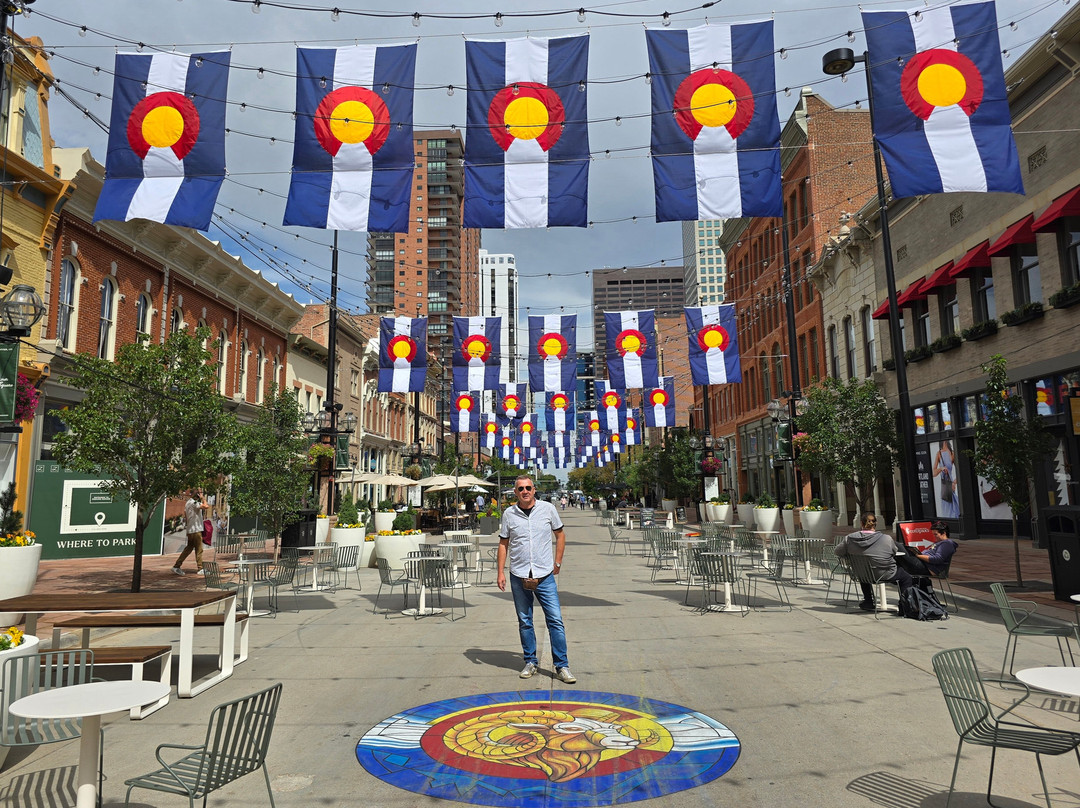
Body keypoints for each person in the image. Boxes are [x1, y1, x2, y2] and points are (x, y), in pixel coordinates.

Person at [497, 474, 575, 684]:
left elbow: (560, 535)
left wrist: (558, 562)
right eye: (520, 488)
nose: (525, 491)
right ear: (515, 492)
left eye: (528, 488)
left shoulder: (547, 509)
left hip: (544, 575)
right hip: (519, 574)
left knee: (555, 620)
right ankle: (530, 662)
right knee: (525, 621)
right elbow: (503, 543)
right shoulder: (509, 514)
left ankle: (562, 666)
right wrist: (500, 572)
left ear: (534, 490)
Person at [833, 512, 913, 611]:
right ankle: (904, 607)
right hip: (884, 573)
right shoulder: (886, 539)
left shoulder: (849, 539)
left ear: (861, 523)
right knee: (906, 578)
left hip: (862, 575)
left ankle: (868, 601)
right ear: (876, 523)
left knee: (863, 569)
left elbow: (837, 552)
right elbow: (893, 552)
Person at [173, 489, 209, 576]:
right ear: (197, 496)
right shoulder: (194, 503)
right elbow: (206, 506)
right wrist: (203, 498)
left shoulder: (188, 503)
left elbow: (186, 515)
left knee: (188, 549)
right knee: (199, 549)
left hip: (190, 530)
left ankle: (176, 566)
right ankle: (200, 568)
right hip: (196, 530)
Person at [933, 440, 960, 519]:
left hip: (950, 483)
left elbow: (960, 471)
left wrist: (954, 482)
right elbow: (934, 473)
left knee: (953, 506)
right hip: (944, 484)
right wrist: (941, 468)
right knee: (946, 505)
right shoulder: (939, 453)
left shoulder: (952, 453)